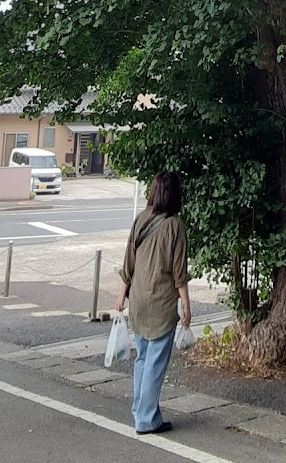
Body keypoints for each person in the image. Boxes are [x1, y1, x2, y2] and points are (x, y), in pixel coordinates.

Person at [115, 171, 191, 435]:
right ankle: (146, 419)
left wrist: (122, 294)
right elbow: (179, 273)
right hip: (161, 301)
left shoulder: (140, 220)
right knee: (155, 362)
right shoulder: (175, 226)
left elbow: (129, 262)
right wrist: (187, 307)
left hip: (138, 298)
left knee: (142, 358)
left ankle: (142, 411)